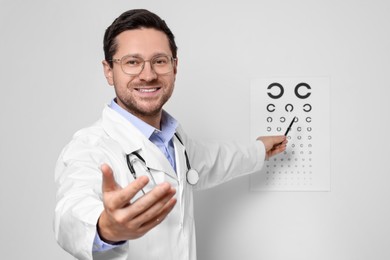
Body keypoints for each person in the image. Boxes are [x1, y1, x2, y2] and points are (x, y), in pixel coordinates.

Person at [54, 9, 287, 260]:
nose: (148, 74)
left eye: (160, 61)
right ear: (109, 70)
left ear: (174, 67)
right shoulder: (89, 147)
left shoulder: (174, 138)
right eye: (132, 62)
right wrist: (106, 229)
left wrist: (259, 150)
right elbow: (70, 212)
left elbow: (213, 160)